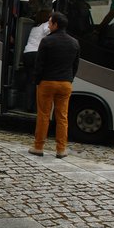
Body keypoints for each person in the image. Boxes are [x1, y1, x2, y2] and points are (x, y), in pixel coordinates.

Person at [29, 11, 80, 159]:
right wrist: (69, 79)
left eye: (50, 22)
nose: (49, 25)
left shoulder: (47, 41)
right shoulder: (74, 43)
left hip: (47, 82)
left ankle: (38, 147)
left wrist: (37, 81)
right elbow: (75, 65)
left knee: (43, 115)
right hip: (65, 83)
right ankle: (61, 149)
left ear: (56, 24)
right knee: (62, 117)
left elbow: (39, 64)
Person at [22, 20, 50, 112]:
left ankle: (28, 106)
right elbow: (47, 31)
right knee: (39, 81)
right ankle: (35, 106)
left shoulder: (34, 27)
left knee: (30, 81)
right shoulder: (46, 25)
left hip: (27, 53)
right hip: (36, 54)